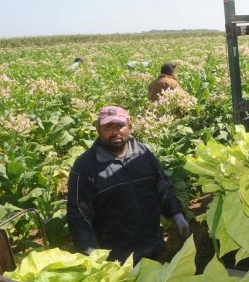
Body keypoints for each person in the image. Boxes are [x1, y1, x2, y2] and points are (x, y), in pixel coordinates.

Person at [66, 105, 190, 264]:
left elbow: (163, 187)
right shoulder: (85, 166)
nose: (115, 132)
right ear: (98, 129)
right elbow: (78, 216)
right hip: (116, 260)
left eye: (120, 126)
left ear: (129, 127)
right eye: (108, 126)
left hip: (153, 248)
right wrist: (92, 256)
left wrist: (177, 215)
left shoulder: (143, 153)